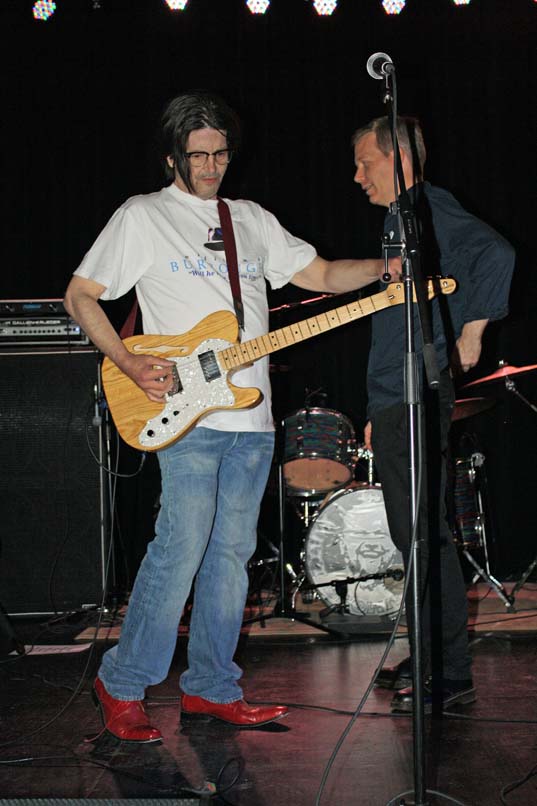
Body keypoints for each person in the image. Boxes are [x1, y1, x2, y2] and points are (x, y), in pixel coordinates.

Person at [64, 91, 394, 743]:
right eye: (197, 156)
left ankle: (211, 689)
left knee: (230, 555)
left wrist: (385, 270)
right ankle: (122, 682)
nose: (211, 166)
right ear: (171, 157)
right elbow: (81, 295)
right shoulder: (143, 216)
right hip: (185, 412)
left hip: (250, 419)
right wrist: (130, 364)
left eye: (219, 153)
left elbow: (322, 272)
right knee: (181, 545)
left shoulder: (249, 219)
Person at [352, 115, 515, 712]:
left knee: (422, 536)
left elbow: (496, 253)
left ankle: (447, 671)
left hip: (415, 394)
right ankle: (434, 655)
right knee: (416, 534)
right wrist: (380, 407)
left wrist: (472, 334)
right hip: (398, 397)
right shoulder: (404, 222)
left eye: (365, 163)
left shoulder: (422, 208)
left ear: (397, 158)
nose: (357, 176)